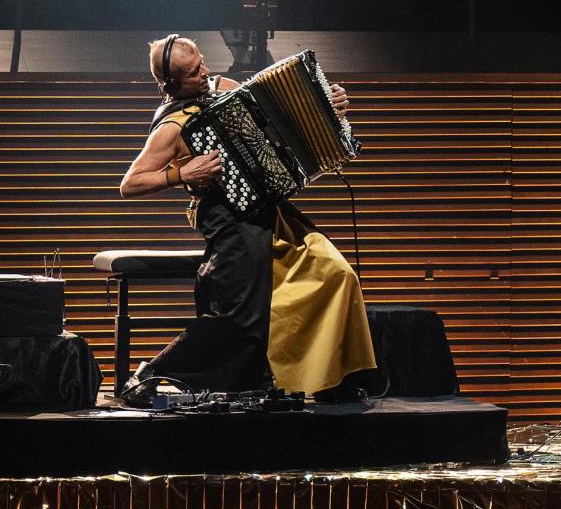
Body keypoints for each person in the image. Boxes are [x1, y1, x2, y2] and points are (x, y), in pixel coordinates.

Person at [118, 34, 376, 405]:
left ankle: (332, 379)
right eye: (193, 73)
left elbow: (277, 122)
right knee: (240, 316)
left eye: (203, 63)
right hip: (228, 220)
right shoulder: (171, 127)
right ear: (169, 84)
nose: (205, 73)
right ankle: (152, 374)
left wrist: (326, 106)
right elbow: (130, 184)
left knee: (336, 274)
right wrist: (181, 174)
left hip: (268, 210)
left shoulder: (223, 87)